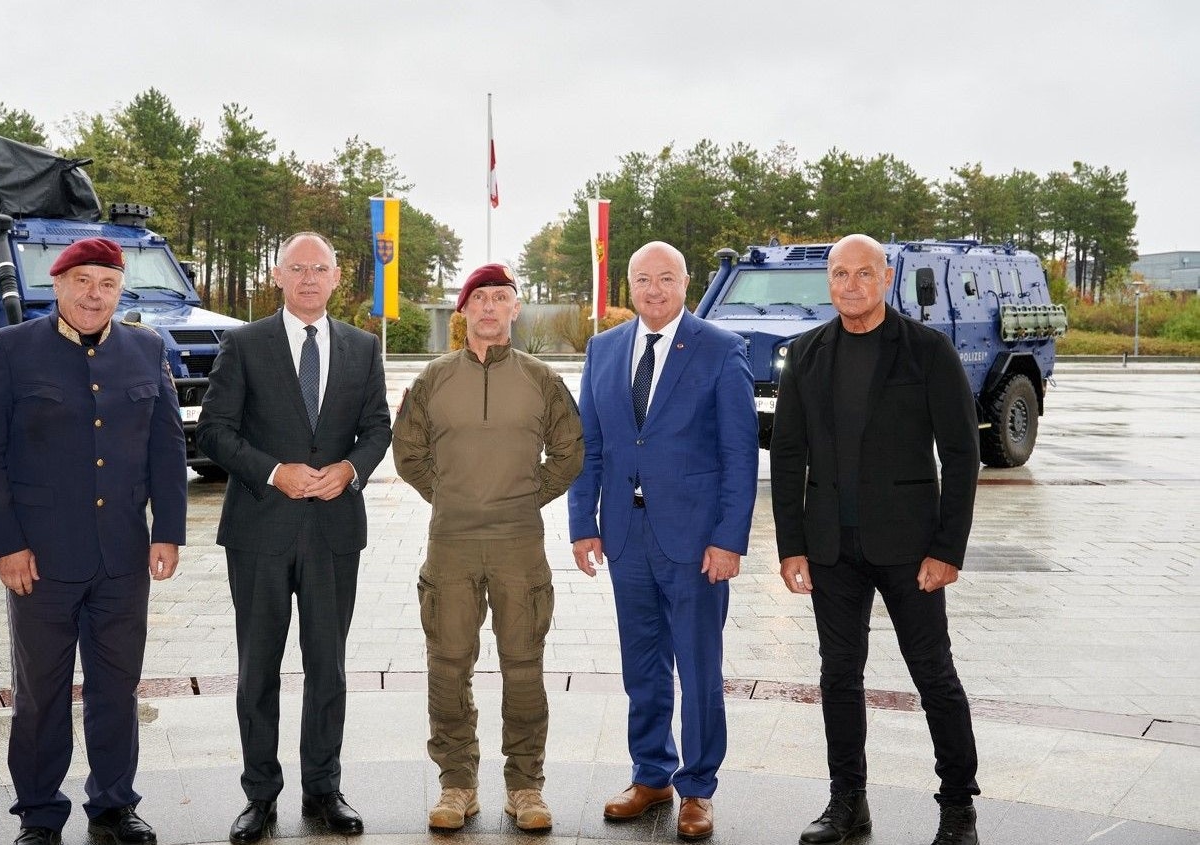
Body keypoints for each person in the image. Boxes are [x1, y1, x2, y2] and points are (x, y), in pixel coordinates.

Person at [0, 236, 187, 845]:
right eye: (83, 281)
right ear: (57, 285)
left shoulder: (146, 349)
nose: (95, 294)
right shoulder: (11, 351)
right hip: (40, 559)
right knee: (41, 692)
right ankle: (39, 813)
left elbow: (167, 450)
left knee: (118, 687)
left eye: (108, 284)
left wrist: (167, 530)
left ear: (121, 290)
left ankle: (114, 805)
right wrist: (6, 544)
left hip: (122, 558)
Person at [771, 233, 981, 845]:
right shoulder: (806, 354)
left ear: (885, 278)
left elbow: (963, 454)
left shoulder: (926, 350)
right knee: (838, 675)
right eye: (840, 274)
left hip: (912, 550)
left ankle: (958, 807)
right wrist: (792, 546)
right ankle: (847, 804)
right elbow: (788, 456)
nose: (851, 286)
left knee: (934, 675)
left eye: (863, 273)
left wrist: (948, 549)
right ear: (829, 282)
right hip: (832, 548)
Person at [195, 231, 391, 845]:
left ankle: (323, 788)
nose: (309, 278)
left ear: (337, 279)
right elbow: (215, 432)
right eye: (297, 268)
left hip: (333, 532)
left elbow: (377, 427)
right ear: (277, 276)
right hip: (260, 529)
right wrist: (273, 471)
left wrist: (351, 469)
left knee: (327, 667)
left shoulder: (363, 348)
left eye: (321, 269)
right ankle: (259, 794)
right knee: (259, 667)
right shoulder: (244, 344)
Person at [568, 241, 757, 841]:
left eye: (666, 278)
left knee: (699, 667)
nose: (654, 289)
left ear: (686, 283)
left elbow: (739, 455)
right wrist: (583, 523)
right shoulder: (603, 350)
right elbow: (588, 448)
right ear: (629, 286)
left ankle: (699, 787)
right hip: (626, 535)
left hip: (697, 541)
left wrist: (729, 539)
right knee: (642, 664)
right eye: (643, 279)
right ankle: (652, 774)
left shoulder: (721, 350)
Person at [392, 263, 584, 833]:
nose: (491, 308)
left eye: (502, 298)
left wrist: (525, 499)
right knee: (448, 665)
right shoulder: (432, 380)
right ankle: (457, 784)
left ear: (515, 309)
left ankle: (526, 786)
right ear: (464, 310)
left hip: (518, 546)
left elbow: (570, 453)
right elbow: (408, 455)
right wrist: (450, 498)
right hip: (449, 545)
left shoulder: (542, 380)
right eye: (480, 298)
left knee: (524, 667)